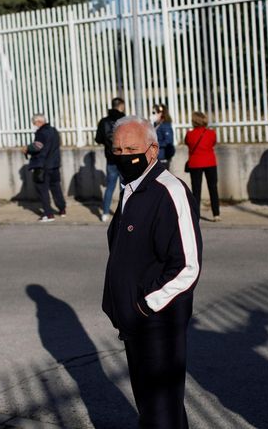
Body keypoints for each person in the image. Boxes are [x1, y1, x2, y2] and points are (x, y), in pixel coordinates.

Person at [102, 116, 202, 428]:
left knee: (162, 411)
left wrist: (144, 305)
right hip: (134, 323)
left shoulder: (169, 191)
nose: (123, 155)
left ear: (152, 150)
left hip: (159, 322)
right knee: (154, 409)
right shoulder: (131, 187)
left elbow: (188, 265)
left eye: (131, 148)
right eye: (117, 149)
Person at [22, 114, 66, 222]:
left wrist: (27, 148)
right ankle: (62, 209)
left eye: (34, 123)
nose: (34, 125)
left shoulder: (41, 132)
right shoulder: (54, 130)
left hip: (43, 165)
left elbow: (38, 146)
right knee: (56, 187)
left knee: (42, 189)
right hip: (55, 164)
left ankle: (48, 214)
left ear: (38, 122)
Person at [184, 111, 220, 222]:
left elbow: (187, 143)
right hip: (210, 162)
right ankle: (216, 214)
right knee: (213, 188)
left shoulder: (189, 134)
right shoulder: (211, 133)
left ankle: (196, 215)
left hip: (195, 163)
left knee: (196, 190)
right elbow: (213, 143)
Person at [95, 97, 126, 222]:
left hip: (110, 158)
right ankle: (125, 212)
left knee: (110, 187)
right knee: (124, 187)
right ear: (120, 106)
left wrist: (108, 144)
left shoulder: (104, 121)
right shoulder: (124, 120)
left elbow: (98, 139)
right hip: (123, 158)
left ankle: (105, 213)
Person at [152, 104, 175, 169]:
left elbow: (168, 141)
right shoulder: (156, 125)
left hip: (163, 156)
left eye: (154, 113)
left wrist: (155, 144)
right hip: (157, 156)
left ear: (161, 113)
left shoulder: (165, 125)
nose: (153, 115)